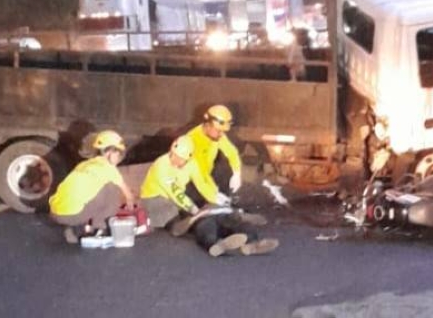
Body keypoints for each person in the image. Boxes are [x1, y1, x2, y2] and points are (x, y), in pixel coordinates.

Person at [141, 136, 277, 257]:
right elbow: (176, 194)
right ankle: (213, 243)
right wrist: (196, 212)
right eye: (173, 156)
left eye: (180, 159)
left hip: (179, 200)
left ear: (188, 157)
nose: (175, 161)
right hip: (157, 200)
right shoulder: (161, 166)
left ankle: (251, 241)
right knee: (184, 222)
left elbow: (202, 183)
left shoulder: (191, 163)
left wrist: (214, 197)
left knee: (216, 216)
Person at [48, 130, 137, 244]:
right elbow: (128, 195)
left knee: (92, 192)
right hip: (72, 214)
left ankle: (76, 228)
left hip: (56, 212)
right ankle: (100, 228)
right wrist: (131, 205)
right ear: (110, 152)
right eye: (118, 153)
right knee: (113, 188)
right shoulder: (108, 168)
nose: (119, 157)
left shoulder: (84, 164)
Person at [185, 105, 243, 208]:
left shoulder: (216, 135)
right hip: (188, 184)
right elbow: (200, 177)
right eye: (218, 131)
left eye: (223, 131)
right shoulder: (192, 141)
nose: (221, 134)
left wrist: (236, 173)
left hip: (205, 179)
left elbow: (231, 152)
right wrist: (214, 195)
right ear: (207, 124)